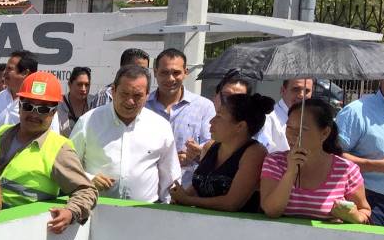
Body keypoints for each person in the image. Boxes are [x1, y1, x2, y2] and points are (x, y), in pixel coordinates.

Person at [0, 72, 97, 233]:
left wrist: (71, 212)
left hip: (21, 232)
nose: (34, 114)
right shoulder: (3, 133)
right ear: (19, 105)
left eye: (43, 108)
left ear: (54, 112)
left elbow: (86, 190)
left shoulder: (60, 148)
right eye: (28, 106)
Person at [70, 64, 180, 203]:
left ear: (147, 95)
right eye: (124, 94)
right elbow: (68, 166)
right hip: (95, 211)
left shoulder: (160, 126)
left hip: (146, 213)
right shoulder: (88, 121)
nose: (130, 101)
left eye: (137, 96)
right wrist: (89, 179)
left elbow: (170, 176)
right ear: (113, 91)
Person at [261, 98, 370, 224]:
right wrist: (290, 172)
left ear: (325, 133)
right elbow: (271, 210)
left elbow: (364, 211)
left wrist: (354, 215)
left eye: (303, 130)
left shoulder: (346, 170)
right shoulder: (275, 162)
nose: (292, 135)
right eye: (289, 127)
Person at [170, 92, 270, 213]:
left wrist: (188, 201)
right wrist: (180, 196)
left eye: (219, 116)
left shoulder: (255, 153)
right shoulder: (209, 146)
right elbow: (197, 189)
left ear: (240, 126)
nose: (211, 121)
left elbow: (232, 203)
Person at [336, 77, 384, 228]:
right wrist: (378, 166)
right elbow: (332, 155)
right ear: (381, 78)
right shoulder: (357, 111)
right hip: (367, 203)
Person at [146, 47, 215, 182]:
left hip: (188, 188)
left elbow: (213, 147)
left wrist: (196, 152)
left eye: (176, 73)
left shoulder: (204, 107)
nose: (170, 78)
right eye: (164, 72)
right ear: (155, 73)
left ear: (185, 73)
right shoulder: (143, 106)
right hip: (149, 186)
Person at [0, 50, 39, 133]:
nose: (4, 73)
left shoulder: (41, 104)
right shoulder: (1, 97)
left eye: (9, 69)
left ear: (25, 73)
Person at [266, 77, 313, 153]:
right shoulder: (269, 117)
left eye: (307, 91)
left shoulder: (312, 119)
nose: (301, 95)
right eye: (296, 89)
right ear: (283, 91)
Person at [58, 67, 91, 136]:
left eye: (87, 85)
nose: (83, 89)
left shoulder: (94, 103)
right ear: (70, 84)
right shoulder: (58, 104)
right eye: (79, 84)